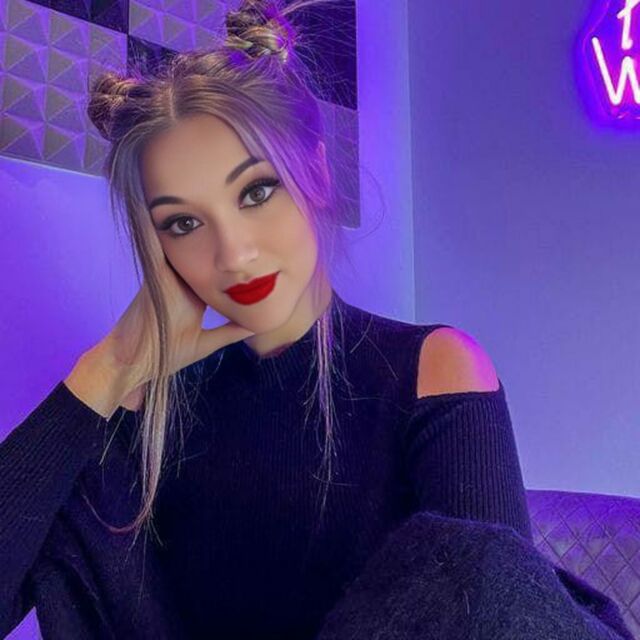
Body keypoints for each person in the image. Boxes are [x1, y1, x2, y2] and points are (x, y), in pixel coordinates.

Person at [0, 1, 633, 638]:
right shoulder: (135, 414)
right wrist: (104, 370)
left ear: (318, 173)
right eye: (184, 223)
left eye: (257, 191)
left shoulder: (432, 373)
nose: (234, 254)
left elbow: (497, 616)